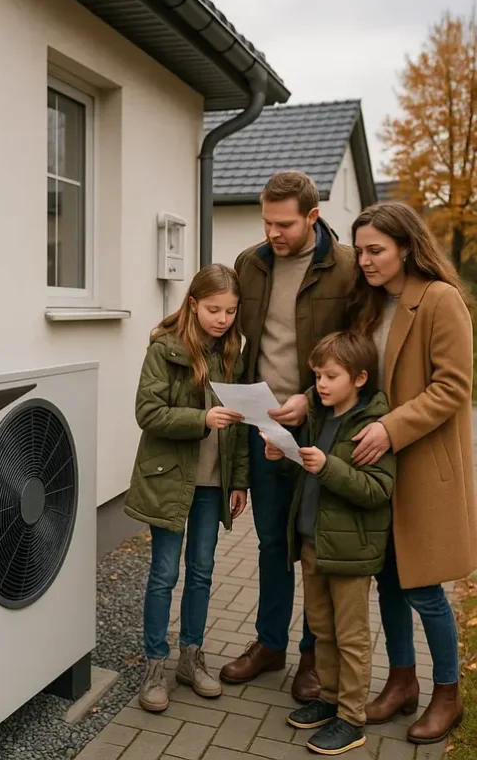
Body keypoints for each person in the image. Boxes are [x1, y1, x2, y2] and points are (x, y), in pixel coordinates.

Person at [222, 171, 356, 703]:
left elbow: (357, 347)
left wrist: (310, 395)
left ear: (313, 217)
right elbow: (232, 331)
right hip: (263, 426)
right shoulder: (249, 264)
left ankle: (312, 656)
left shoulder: (346, 268)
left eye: (284, 224)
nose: (273, 233)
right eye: (266, 222)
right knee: (272, 543)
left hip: (322, 427)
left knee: (314, 544)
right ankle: (270, 644)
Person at [348, 202, 476, 745]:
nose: (365, 260)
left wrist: (391, 429)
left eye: (375, 250)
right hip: (379, 468)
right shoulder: (372, 303)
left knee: (424, 589)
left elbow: (453, 387)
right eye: (359, 251)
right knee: (388, 584)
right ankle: (402, 683)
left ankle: (448, 695)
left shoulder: (441, 300)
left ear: (406, 246)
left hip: (420, 464)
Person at [123, 264, 250, 713]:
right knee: (164, 575)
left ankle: (191, 658)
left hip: (214, 484)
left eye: (231, 311)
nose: (222, 319)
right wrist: (200, 419)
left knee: (202, 571)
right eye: (214, 309)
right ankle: (155, 664)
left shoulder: (233, 351)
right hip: (170, 480)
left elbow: (241, 426)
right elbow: (147, 412)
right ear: (193, 304)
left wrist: (238, 480)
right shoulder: (165, 348)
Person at [262, 331, 395, 756]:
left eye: (330, 376)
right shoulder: (319, 416)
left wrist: (329, 467)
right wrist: (285, 459)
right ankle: (330, 697)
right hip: (312, 543)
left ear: (358, 378)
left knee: (351, 635)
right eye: (317, 374)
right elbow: (308, 478)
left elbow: (378, 490)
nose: (319, 383)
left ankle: (352, 719)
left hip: (350, 552)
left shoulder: (371, 423)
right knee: (321, 628)